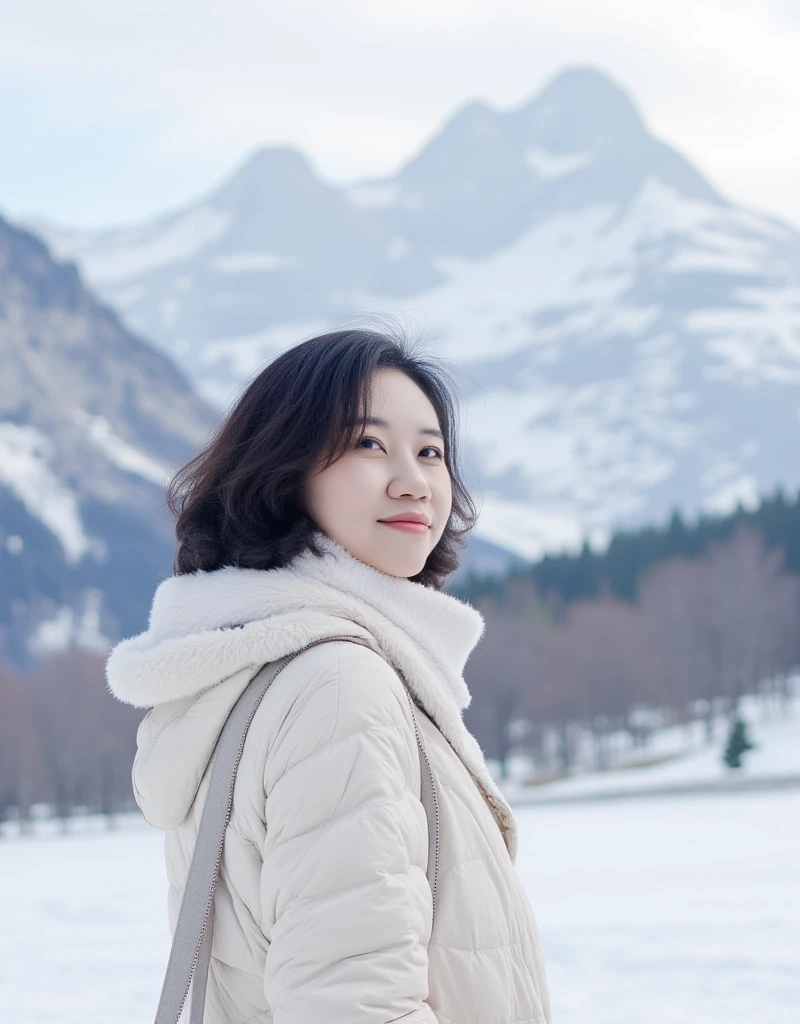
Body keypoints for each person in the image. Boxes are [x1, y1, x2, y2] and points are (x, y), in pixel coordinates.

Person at [106, 323, 552, 1023]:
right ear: (286, 469)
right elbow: (354, 1006)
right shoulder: (339, 686)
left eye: (430, 452)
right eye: (369, 444)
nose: (413, 481)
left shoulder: (263, 672)